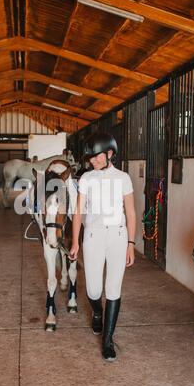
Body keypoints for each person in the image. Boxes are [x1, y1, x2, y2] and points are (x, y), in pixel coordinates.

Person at [70, 132, 136, 362]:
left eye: (96, 157)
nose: (92, 161)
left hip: (118, 235)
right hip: (92, 236)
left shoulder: (124, 178)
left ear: (109, 154)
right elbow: (78, 212)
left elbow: (131, 213)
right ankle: (97, 311)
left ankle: (107, 341)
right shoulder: (86, 179)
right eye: (90, 158)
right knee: (94, 290)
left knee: (113, 288)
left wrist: (131, 244)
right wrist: (75, 241)